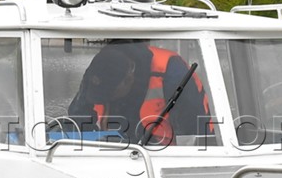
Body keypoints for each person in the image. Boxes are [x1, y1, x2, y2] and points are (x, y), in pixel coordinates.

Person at [67, 40, 213, 145]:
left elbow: (193, 133)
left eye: (110, 95)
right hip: (113, 152)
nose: (105, 99)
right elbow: (78, 116)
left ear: (128, 79)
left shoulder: (173, 73)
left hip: (164, 155)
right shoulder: (99, 67)